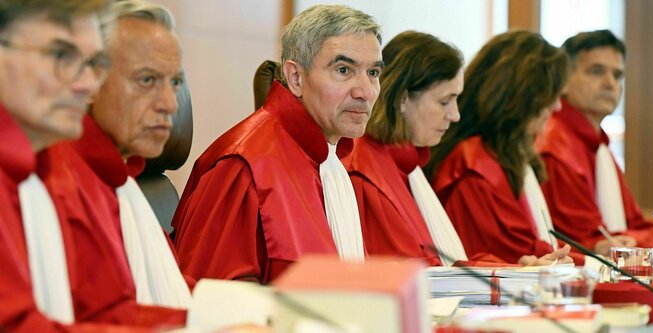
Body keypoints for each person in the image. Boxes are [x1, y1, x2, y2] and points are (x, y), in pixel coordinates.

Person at [172, 5, 384, 283]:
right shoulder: (243, 167)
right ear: (295, 77)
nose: (365, 92)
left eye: (373, 73)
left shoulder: (332, 158)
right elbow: (216, 306)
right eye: (344, 70)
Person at [346, 30, 571, 267]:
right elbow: (418, 276)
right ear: (402, 99)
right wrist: (518, 272)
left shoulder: (404, 162)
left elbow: (445, 263)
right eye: (445, 101)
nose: (455, 115)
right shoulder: (369, 172)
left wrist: (521, 269)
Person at [38, 0, 191, 328]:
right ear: (89, 79)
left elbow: (164, 291)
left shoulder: (125, 179)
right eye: (147, 80)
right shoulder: (57, 183)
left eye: (175, 82)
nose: (169, 104)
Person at [0, 0, 140, 331]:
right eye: (62, 55)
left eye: (94, 63)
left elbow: (104, 310)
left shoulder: (49, 172)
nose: (87, 84)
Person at [426, 31, 578, 265]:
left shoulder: (507, 153)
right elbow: (512, 255)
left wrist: (594, 261)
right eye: (551, 95)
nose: (557, 106)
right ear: (522, 96)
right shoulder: (472, 165)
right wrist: (592, 263)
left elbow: (531, 248)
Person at [537, 30, 653, 257]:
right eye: (596, 71)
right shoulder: (555, 147)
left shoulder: (599, 147)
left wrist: (644, 238)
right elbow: (596, 242)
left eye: (617, 75)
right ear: (563, 81)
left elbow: (634, 225)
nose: (610, 83)